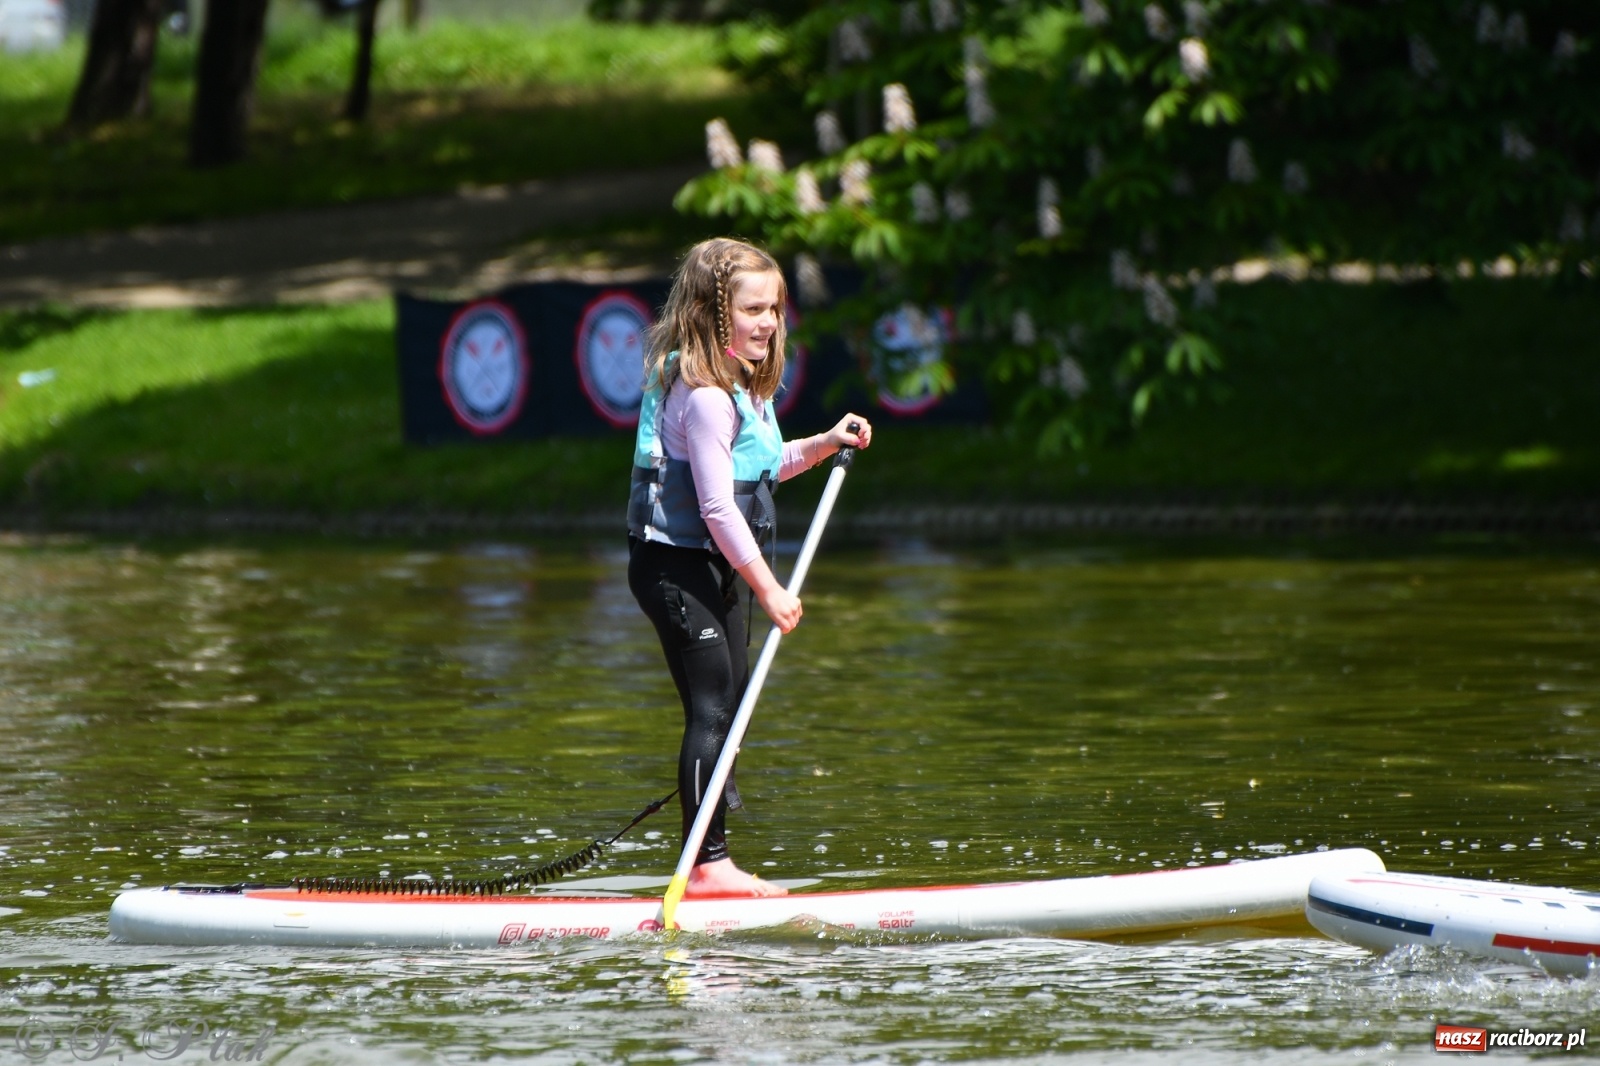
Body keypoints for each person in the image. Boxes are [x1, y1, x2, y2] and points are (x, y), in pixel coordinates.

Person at [627, 238, 872, 899]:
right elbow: (715, 507)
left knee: (729, 708)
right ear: (714, 315)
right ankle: (706, 865)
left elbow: (759, 468)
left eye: (775, 308)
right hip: (675, 569)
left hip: (712, 569)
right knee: (711, 708)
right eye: (753, 309)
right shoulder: (706, 397)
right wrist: (769, 589)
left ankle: (707, 856)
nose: (768, 322)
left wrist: (823, 444)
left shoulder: (745, 389)